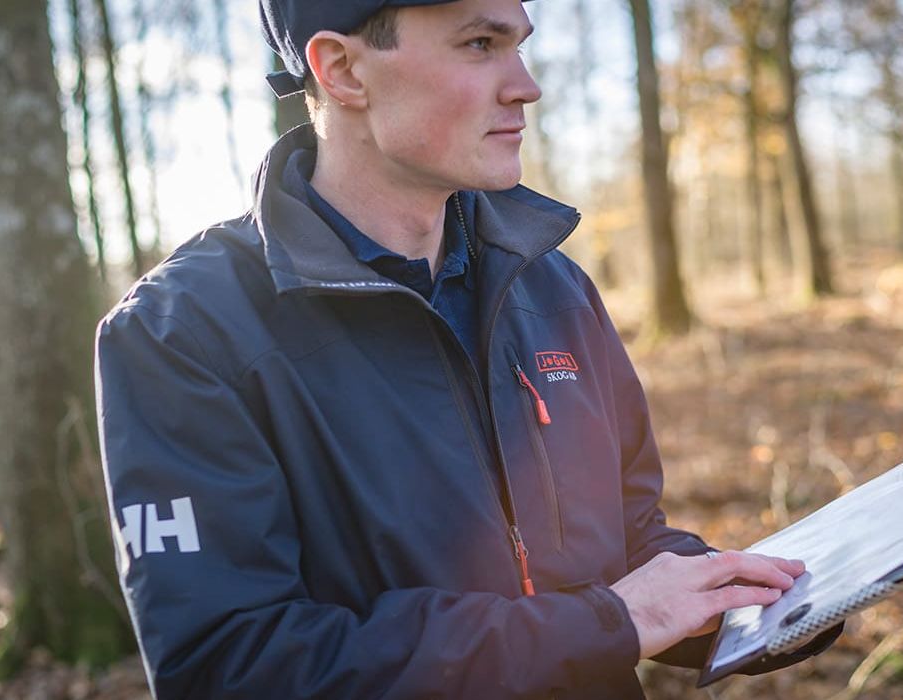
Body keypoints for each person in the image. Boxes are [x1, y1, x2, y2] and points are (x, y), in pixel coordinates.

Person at [94, 0, 839, 697]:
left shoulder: (552, 286)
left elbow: (629, 544)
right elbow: (231, 663)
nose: (527, 88)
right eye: (481, 45)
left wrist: (767, 598)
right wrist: (609, 622)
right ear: (343, 70)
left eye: (519, 45)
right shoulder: (182, 334)